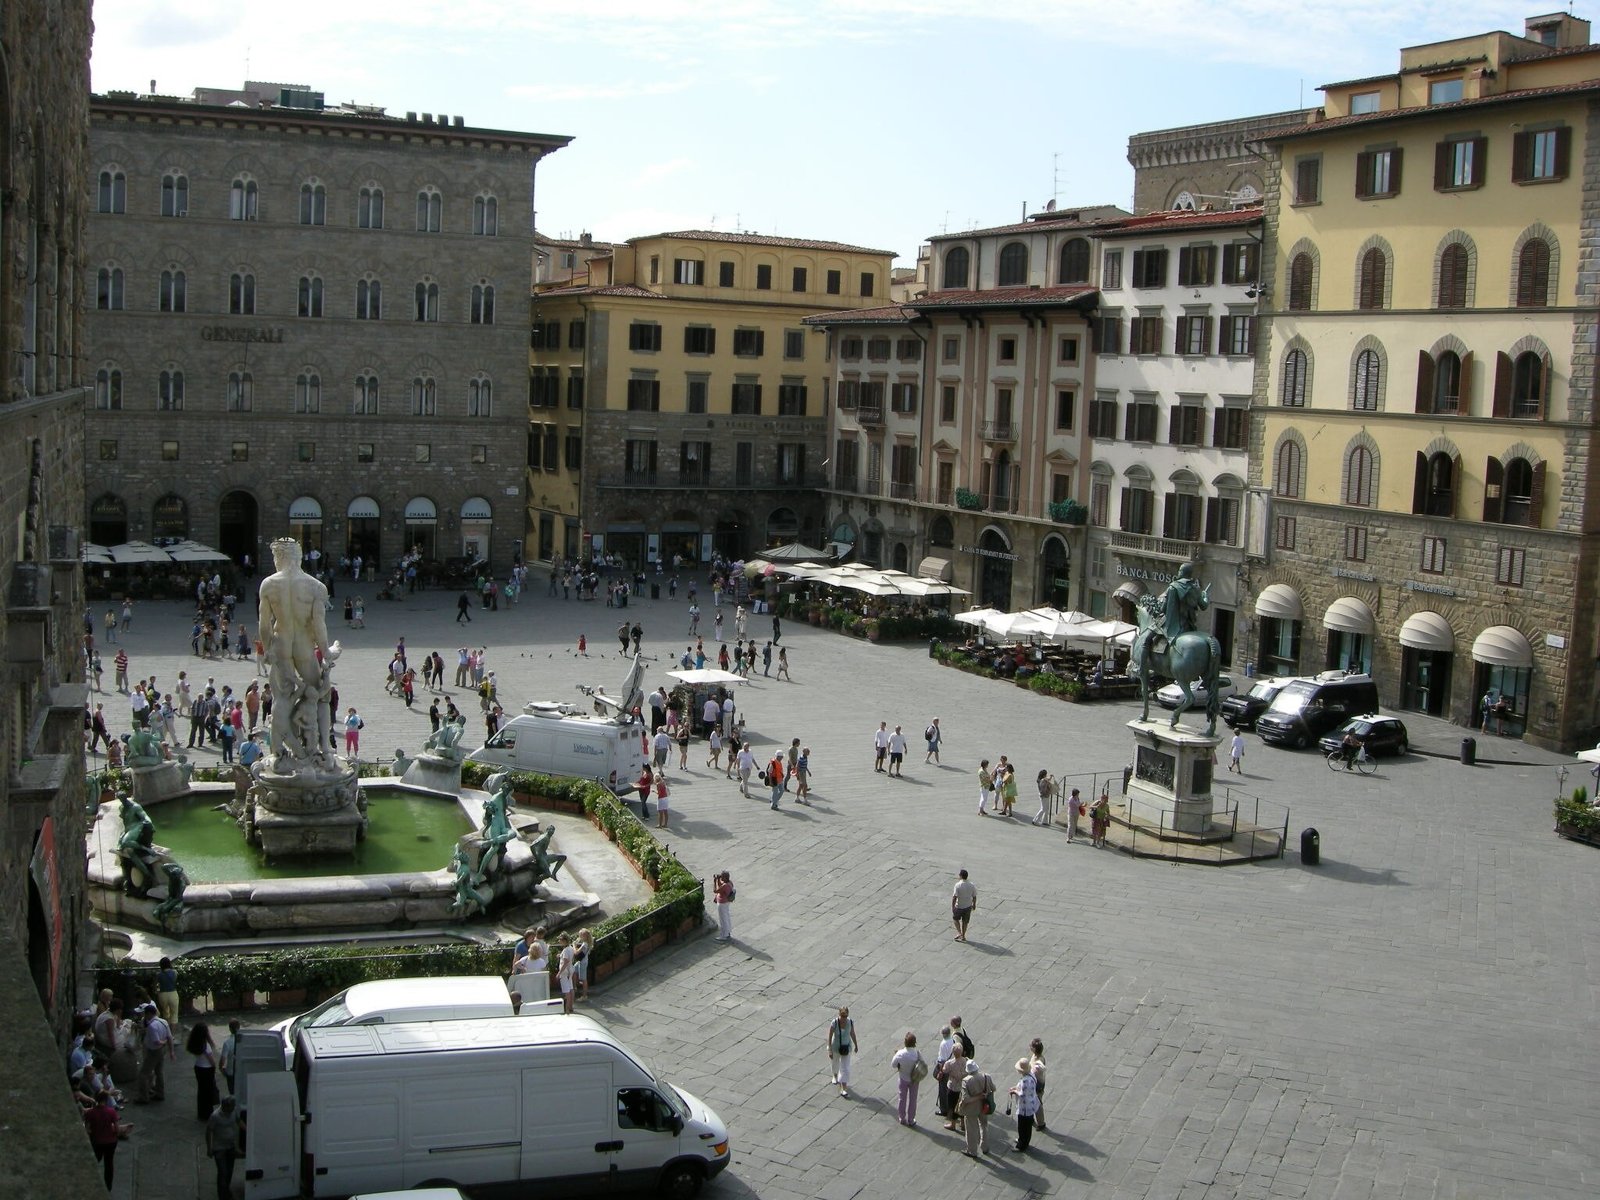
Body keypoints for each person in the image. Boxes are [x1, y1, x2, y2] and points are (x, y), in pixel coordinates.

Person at [205, 1096, 243, 1200]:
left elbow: (238, 1121)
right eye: (231, 1107)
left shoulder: (233, 1111)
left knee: (229, 1170)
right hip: (219, 1148)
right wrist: (210, 1147)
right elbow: (209, 1131)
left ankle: (226, 1189)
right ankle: (222, 1195)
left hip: (230, 1146)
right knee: (223, 1171)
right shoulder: (215, 1116)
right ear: (226, 1107)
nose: (233, 1108)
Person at [84, 1090, 123, 1188]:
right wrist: (115, 1135)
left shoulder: (90, 1113)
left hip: (97, 1142)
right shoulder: (111, 1112)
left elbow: (87, 1129)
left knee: (95, 1160)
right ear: (105, 1100)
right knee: (109, 1163)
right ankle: (108, 1186)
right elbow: (117, 1128)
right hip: (110, 1141)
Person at [137, 1003, 175, 1102]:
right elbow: (170, 1037)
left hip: (153, 1051)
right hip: (162, 1051)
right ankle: (160, 1093)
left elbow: (157, 1042)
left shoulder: (152, 1026)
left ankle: (143, 1097)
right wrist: (171, 1051)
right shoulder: (164, 1022)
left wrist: (164, 1042)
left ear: (149, 1014)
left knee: (143, 1074)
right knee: (159, 1072)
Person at [957, 1061, 994, 1158]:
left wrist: (978, 1097)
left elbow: (965, 1099)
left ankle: (972, 1151)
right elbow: (993, 1088)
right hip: (984, 1106)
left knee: (971, 1129)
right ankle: (984, 1146)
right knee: (984, 1125)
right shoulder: (986, 1076)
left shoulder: (966, 1081)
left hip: (971, 1108)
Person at [890, 1031, 925, 1126]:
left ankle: (902, 1118)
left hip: (903, 1078)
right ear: (914, 1043)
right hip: (914, 1079)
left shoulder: (900, 1053)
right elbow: (922, 1063)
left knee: (902, 1098)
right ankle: (911, 1119)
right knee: (913, 1100)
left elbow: (893, 1065)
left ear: (905, 1042)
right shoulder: (917, 1053)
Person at [187, 1022, 219, 1120]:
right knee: (208, 1091)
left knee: (201, 1091)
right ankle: (208, 1113)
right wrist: (215, 1067)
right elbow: (212, 1061)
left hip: (198, 1067)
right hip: (207, 1069)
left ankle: (202, 1112)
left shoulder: (195, 1044)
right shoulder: (206, 1046)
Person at [1008, 1057, 1040, 1151]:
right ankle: (1024, 1141)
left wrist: (1014, 1091)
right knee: (1027, 1126)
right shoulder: (1031, 1075)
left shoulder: (1025, 1081)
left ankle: (1022, 1144)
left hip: (1024, 1108)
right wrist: (1015, 1088)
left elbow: (1022, 1094)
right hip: (1031, 1105)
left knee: (1022, 1127)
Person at [826, 1006, 858, 1097]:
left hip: (846, 1048)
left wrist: (856, 1045)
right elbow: (830, 1035)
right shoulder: (834, 1022)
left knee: (845, 1068)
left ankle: (843, 1088)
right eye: (842, 1016)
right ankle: (835, 1075)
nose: (844, 1018)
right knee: (835, 1063)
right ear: (839, 1014)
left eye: (845, 1016)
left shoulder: (850, 1022)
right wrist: (830, 1049)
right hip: (836, 1047)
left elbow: (852, 1033)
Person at [1028, 1038, 1048, 1131]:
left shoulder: (1039, 1060)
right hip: (1034, 1083)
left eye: (1031, 1046)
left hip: (1038, 1085)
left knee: (1038, 1104)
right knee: (1031, 1101)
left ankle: (1041, 1123)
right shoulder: (1035, 1056)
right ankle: (1031, 1118)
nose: (1030, 1047)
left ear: (1035, 1049)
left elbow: (1039, 1069)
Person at [951, 868, 977, 942]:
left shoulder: (958, 885)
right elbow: (974, 896)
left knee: (955, 919)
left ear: (961, 876)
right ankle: (963, 935)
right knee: (965, 922)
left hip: (959, 906)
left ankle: (959, 933)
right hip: (968, 906)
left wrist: (953, 907)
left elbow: (954, 897)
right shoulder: (971, 885)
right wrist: (974, 905)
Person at [219, 1018, 242, 1095]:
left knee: (232, 1093)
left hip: (231, 1073)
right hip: (242, 1071)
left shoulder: (227, 1043)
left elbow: (222, 1061)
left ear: (230, 1029)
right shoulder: (244, 1041)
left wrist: (223, 1070)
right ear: (239, 1027)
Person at [155, 955, 180, 1028]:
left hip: (162, 995)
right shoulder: (174, 972)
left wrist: (156, 991)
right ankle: (172, 1035)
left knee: (165, 1013)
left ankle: (166, 1031)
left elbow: (155, 984)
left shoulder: (158, 974)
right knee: (174, 1014)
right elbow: (175, 981)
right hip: (173, 994)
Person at [712, 870, 735, 940]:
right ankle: (727, 932)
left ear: (725, 877)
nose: (721, 877)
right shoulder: (730, 882)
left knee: (723, 919)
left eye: (722, 876)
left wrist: (714, 881)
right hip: (726, 902)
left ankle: (724, 935)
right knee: (726, 917)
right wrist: (718, 879)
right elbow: (721, 886)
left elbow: (715, 890)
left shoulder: (725, 886)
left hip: (722, 903)